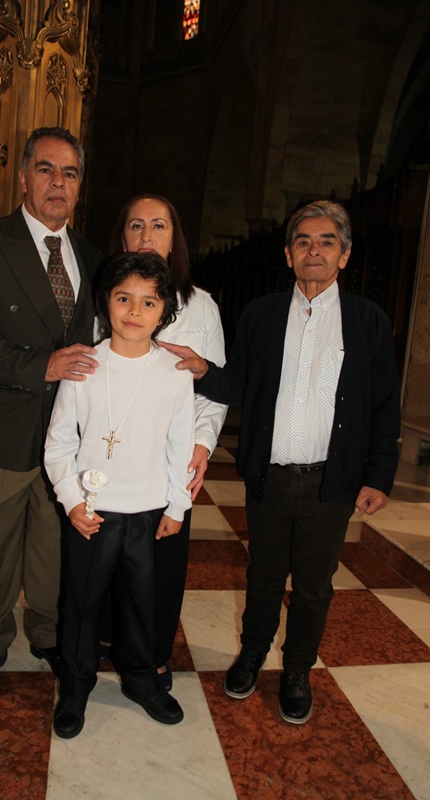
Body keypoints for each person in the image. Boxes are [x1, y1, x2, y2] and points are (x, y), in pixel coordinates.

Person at [159, 200, 400, 724]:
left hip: (330, 483)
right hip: (270, 478)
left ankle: (296, 671)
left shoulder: (368, 322)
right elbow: (239, 382)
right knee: (264, 575)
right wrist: (203, 368)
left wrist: (379, 476)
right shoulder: (262, 315)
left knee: (313, 583)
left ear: (345, 255)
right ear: (289, 257)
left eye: (326, 242)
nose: (314, 250)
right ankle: (251, 654)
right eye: (303, 242)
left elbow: (384, 405)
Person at [0, 126, 101, 702]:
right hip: (5, 428)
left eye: (70, 173)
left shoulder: (92, 255)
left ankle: (49, 634)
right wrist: (40, 366)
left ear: (81, 185)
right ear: (24, 175)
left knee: (55, 547)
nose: (58, 183)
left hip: (70, 439)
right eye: (47, 170)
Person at [44, 251, 195, 738]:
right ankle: (77, 683)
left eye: (148, 303)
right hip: (93, 512)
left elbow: (179, 444)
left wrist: (177, 505)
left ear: (164, 310)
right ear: (105, 302)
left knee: (141, 603)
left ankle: (140, 680)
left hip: (149, 513)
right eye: (123, 298)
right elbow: (60, 443)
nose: (134, 311)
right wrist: (70, 500)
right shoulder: (86, 365)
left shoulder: (173, 373)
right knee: (83, 603)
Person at [108, 194, 227, 689]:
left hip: (174, 459)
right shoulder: (109, 296)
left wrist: (200, 446)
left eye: (158, 225)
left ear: (174, 237)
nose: (146, 235)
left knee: (162, 559)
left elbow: (214, 389)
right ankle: (109, 639)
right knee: (110, 553)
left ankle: (154, 652)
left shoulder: (202, 305)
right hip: (114, 453)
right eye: (136, 225)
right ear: (123, 237)